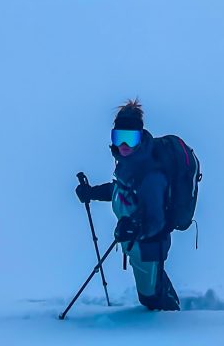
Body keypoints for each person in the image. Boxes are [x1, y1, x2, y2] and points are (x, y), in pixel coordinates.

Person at [75, 99, 181, 311]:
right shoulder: (130, 164)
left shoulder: (150, 175)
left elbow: (156, 221)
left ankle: (171, 326)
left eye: (130, 139)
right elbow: (121, 191)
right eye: (119, 138)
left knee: (151, 297)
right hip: (137, 244)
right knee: (153, 286)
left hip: (149, 246)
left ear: (140, 138)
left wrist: (134, 229)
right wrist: (92, 192)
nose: (123, 146)